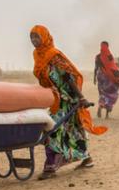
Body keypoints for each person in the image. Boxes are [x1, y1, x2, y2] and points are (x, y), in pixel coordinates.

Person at [30, 25, 106, 180]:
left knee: (52, 130)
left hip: (67, 98)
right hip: (53, 98)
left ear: (45, 37)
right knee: (73, 130)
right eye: (31, 37)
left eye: (37, 37)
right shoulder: (37, 55)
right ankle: (86, 158)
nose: (34, 40)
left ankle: (51, 167)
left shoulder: (53, 55)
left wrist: (80, 97)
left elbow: (68, 77)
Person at [94, 41, 119, 119]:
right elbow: (112, 66)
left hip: (100, 76)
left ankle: (101, 106)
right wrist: (117, 77)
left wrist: (94, 78)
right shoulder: (109, 56)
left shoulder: (97, 57)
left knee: (102, 93)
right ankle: (107, 115)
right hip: (108, 77)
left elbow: (96, 68)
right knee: (111, 94)